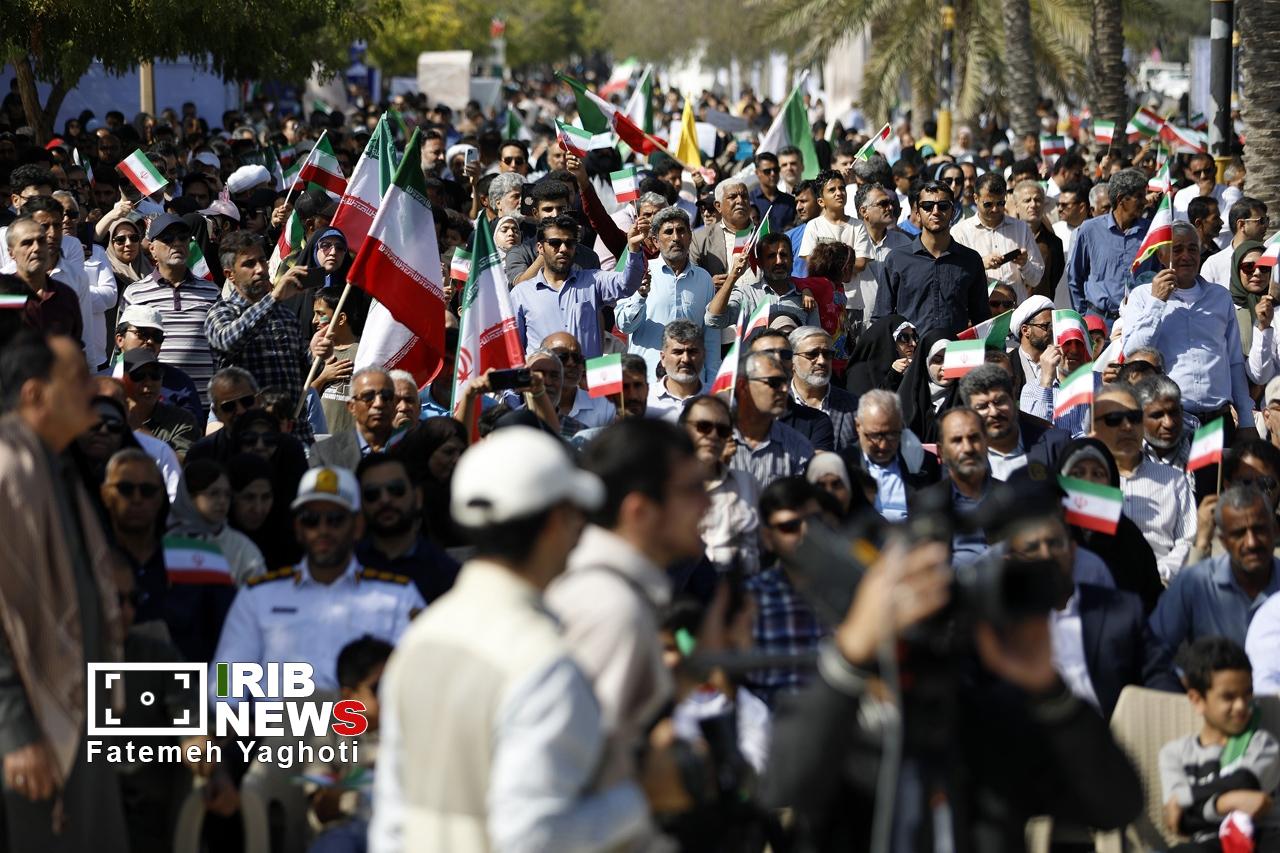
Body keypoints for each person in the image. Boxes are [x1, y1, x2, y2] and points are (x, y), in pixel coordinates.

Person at [370, 427, 667, 851]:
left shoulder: (422, 638)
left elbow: (390, 820)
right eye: (575, 515)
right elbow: (534, 837)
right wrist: (642, 797)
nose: (580, 530)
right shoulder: (541, 662)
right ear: (556, 521)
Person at [761, 536, 1145, 851]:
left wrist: (1050, 690)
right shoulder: (836, 731)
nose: (917, 628)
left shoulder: (988, 727)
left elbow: (1116, 804)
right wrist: (850, 656)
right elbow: (783, 786)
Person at [0, 332, 129, 852]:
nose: (94, 389)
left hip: (76, 713)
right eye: (77, 379)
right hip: (28, 734)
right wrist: (16, 731)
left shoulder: (54, 463)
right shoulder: (9, 468)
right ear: (35, 393)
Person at [547, 419, 708, 788]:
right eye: (692, 490)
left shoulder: (618, 596)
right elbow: (572, 777)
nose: (708, 503)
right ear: (639, 511)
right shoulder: (612, 610)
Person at [212, 465, 424, 697]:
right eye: (311, 520)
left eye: (335, 519)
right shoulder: (258, 596)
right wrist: (232, 711)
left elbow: (421, 679)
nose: (323, 530)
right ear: (298, 528)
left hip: (361, 719)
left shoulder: (399, 598)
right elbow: (224, 676)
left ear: (357, 526)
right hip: (279, 720)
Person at [1003, 509, 1176, 716]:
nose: (1046, 555)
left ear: (1072, 551)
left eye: (1054, 544)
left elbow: (1159, 677)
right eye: (1032, 548)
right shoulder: (996, 628)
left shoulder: (1121, 611)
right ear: (1011, 560)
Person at [1122, 221, 1256, 442]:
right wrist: (1157, 302)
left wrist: (1247, 420)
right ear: (1162, 256)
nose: (1186, 256)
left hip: (1218, 421)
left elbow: (1234, 362)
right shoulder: (1143, 297)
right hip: (1171, 421)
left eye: (1192, 249)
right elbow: (1133, 353)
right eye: (1177, 249)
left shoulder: (1220, 297)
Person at [1159, 637, 1280, 848]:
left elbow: (1245, 780)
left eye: (1247, 694)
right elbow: (1179, 822)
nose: (1241, 705)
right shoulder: (1174, 753)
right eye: (1228, 697)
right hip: (1208, 844)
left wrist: (1188, 797)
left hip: (1263, 839)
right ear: (1197, 700)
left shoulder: (1262, 743)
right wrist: (1226, 803)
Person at [1149, 485, 1280, 662]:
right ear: (1223, 541)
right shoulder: (1194, 582)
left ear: (1275, 531)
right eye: (1239, 534)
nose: (1251, 543)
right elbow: (1155, 651)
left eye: (1260, 530)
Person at [741, 477, 828, 707]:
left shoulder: (855, 591)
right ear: (768, 538)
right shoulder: (751, 598)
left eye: (815, 520)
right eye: (790, 527)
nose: (806, 532)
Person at [119, 213, 221, 408]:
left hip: (203, 405)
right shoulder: (134, 294)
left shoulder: (211, 291)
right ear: (152, 249)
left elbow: (221, 349)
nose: (177, 243)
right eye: (167, 239)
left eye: (183, 238)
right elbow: (123, 351)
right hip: (153, 406)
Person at [509, 213, 644, 358]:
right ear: (540, 248)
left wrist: (633, 249)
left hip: (586, 371)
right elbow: (515, 349)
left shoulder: (593, 280)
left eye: (569, 243)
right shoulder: (521, 294)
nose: (563, 249)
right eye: (555, 243)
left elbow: (628, 284)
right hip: (543, 371)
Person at [871, 179, 990, 337]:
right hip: (911, 350)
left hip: (956, 350)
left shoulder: (971, 260)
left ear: (953, 212)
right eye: (927, 206)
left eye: (943, 206)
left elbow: (982, 319)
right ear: (917, 213)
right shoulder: (897, 259)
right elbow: (882, 318)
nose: (935, 211)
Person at [613, 206, 720, 382]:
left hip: (692, 383)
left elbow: (711, 339)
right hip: (648, 382)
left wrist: (712, 381)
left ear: (690, 236)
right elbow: (624, 325)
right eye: (669, 232)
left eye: (681, 231)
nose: (676, 238)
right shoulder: (639, 273)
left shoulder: (704, 279)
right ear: (655, 241)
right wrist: (640, 296)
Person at [304, 635, 390, 853]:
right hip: (348, 827)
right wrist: (352, 780)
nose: (390, 694)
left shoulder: (412, 727)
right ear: (349, 696)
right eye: (379, 687)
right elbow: (321, 813)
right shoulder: (328, 735)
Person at [354, 452, 460, 606]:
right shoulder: (344, 568)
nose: (385, 500)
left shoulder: (447, 574)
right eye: (372, 494)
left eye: (396, 489)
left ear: (417, 497)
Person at [678, 394, 761, 575]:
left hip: (742, 584)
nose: (713, 436)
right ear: (683, 430)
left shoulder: (747, 483)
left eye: (723, 430)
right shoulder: (667, 487)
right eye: (704, 427)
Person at [914, 406, 1008, 563]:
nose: (968, 448)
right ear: (941, 452)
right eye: (957, 440)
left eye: (974, 438)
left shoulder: (1010, 497)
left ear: (986, 442)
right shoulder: (926, 505)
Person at [1067, 168, 1157, 328]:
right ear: (1121, 199)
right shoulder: (1089, 230)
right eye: (1139, 197)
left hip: (1139, 321)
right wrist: (1083, 316)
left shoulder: (1152, 232)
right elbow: (1075, 277)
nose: (1145, 201)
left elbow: (1158, 274)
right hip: (1098, 324)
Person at [956, 363, 1069, 480]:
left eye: (1000, 401)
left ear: (1013, 398)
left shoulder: (1056, 444)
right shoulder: (962, 458)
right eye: (983, 406)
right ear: (970, 412)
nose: (994, 412)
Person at [951, 173, 1044, 301]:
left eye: (1000, 203)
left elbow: (1036, 280)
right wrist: (980, 265)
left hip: (1016, 309)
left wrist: (1025, 264)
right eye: (988, 204)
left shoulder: (1021, 229)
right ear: (976, 198)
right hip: (980, 310)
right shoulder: (960, 232)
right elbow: (954, 277)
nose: (995, 209)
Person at [731, 351, 815, 490]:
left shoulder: (799, 447)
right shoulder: (713, 439)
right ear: (743, 386)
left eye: (785, 382)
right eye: (774, 382)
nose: (785, 389)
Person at [704, 233, 821, 331]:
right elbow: (713, 319)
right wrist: (732, 277)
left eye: (783, 254)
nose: (779, 261)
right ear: (760, 263)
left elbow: (815, 338)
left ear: (792, 259)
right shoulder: (747, 294)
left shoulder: (806, 300)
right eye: (771, 256)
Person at [182, 458, 267, 584]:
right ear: (189, 498)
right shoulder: (168, 542)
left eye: (227, 494)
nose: (222, 501)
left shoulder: (244, 550)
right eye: (214, 493)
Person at [112, 304, 202, 422]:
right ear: (120, 339)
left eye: (157, 336)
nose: (150, 341)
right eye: (142, 334)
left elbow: (193, 428)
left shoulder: (180, 381)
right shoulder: (102, 381)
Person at [5, 215, 83, 342]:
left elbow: (76, 344)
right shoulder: (5, 295)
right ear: (11, 253)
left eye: (41, 241)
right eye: (27, 243)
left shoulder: (66, 296)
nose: (36, 248)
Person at [309, 367, 402, 469]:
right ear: (351, 406)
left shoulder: (411, 449)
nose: (378, 403)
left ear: (395, 403)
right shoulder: (324, 453)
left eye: (386, 396)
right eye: (368, 396)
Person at [848, 183, 912, 330]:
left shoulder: (904, 243)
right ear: (864, 211)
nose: (890, 208)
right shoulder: (848, 241)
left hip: (894, 325)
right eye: (883, 204)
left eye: (890, 203)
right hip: (857, 324)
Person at [119, 346, 202, 459]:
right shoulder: (108, 418)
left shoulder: (182, 421)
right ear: (122, 380)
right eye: (138, 375)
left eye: (155, 375)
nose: (149, 383)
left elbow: (181, 464)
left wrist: (137, 426)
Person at [789, 325, 857, 452]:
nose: (822, 361)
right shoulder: (775, 406)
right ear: (792, 361)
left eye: (827, 354)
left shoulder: (854, 407)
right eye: (812, 354)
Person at [310, 286, 359, 437]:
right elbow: (303, 399)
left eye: (321, 314)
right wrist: (323, 377)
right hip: (321, 440)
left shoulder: (364, 351)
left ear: (341, 318)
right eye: (314, 314)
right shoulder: (314, 353)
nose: (314, 320)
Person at [690, 178, 756, 281]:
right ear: (718, 206)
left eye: (744, 196)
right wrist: (709, 284)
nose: (740, 201)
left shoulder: (764, 234)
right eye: (732, 197)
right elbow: (692, 279)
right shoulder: (699, 239)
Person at [898, 331, 956, 443]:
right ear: (925, 362)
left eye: (951, 359)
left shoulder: (968, 398)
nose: (945, 367)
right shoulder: (907, 400)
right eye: (938, 360)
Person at [645, 320, 706, 422]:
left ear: (704, 356)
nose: (685, 359)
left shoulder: (718, 398)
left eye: (692, 352)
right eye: (678, 352)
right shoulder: (644, 399)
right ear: (663, 358)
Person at [1202, 196, 1268, 288]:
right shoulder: (1213, 264)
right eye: (1261, 221)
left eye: (1267, 220)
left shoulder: (1270, 257)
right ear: (1242, 224)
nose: (1265, 225)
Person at [1174, 152, 1235, 247]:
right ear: (1191, 174)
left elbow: (1229, 223)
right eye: (1197, 173)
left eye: (1207, 170)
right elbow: (1182, 227)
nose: (1203, 176)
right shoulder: (1182, 194)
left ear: (1215, 170)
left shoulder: (1231, 192)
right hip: (1196, 250)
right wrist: (1203, 196)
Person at [750, 151, 797, 235]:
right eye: (767, 171)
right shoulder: (749, 200)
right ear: (757, 173)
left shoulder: (790, 202)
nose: (773, 174)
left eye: (776, 170)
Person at [1187, 195, 1224, 266]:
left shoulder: (1217, 252)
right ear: (1198, 223)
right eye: (1215, 218)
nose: (1221, 222)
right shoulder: (1188, 257)